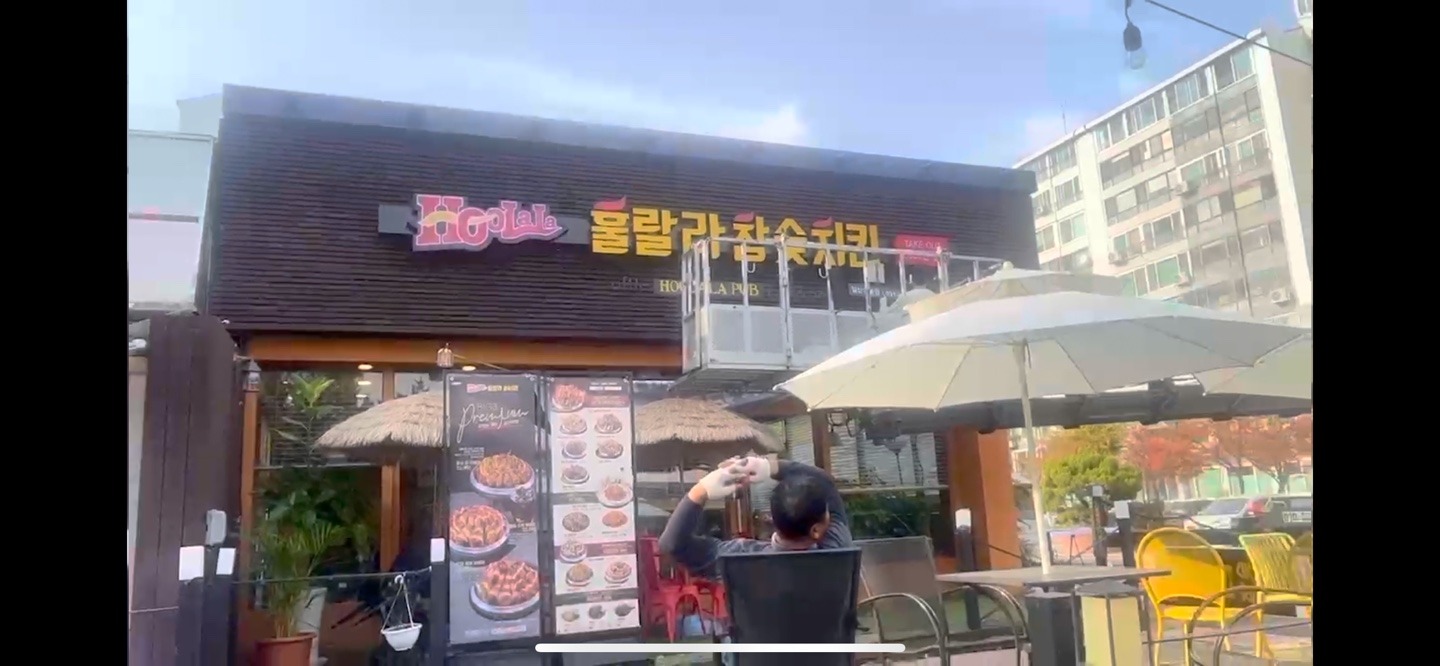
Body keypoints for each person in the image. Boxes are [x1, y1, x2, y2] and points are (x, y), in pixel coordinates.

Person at [658, 453, 852, 580]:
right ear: (816, 530)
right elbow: (825, 482)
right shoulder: (837, 550)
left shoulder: (741, 560)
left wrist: (701, 490)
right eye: (827, 513)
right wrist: (768, 466)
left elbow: (672, 544)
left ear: (772, 518)